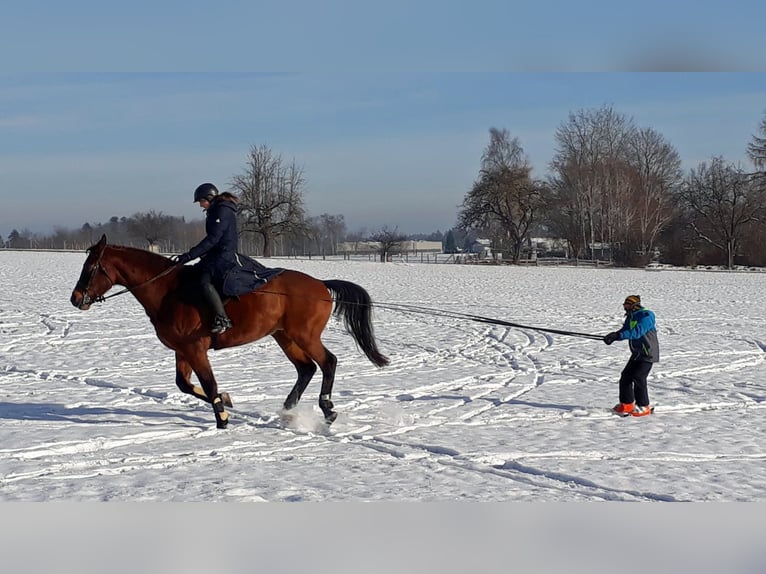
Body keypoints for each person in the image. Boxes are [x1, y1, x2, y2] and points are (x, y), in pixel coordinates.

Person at [173, 183, 239, 334]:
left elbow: (213, 239)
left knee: (204, 283)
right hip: (215, 254)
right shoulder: (216, 210)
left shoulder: (222, 211)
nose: (201, 205)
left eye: (201, 202)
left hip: (224, 256)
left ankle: (222, 318)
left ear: (208, 198)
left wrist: (190, 255)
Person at [603, 295, 659, 417]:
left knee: (639, 377)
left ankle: (644, 406)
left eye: (627, 305)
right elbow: (625, 330)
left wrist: (617, 336)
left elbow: (637, 332)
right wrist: (613, 336)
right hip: (637, 352)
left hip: (648, 352)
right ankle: (627, 404)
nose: (625, 307)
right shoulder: (631, 317)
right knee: (626, 376)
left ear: (635, 305)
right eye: (624, 305)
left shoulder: (647, 316)